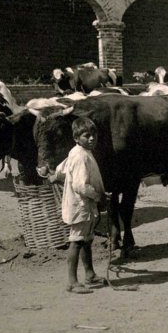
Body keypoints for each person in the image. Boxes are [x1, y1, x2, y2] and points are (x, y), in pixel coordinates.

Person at [49, 116, 107, 294]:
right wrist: (98, 195)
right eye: (86, 135)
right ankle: (72, 282)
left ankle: (89, 275)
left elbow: (61, 169)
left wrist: (55, 175)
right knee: (77, 241)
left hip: (85, 205)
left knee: (86, 239)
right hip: (81, 205)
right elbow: (80, 185)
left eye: (94, 135)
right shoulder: (81, 156)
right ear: (76, 138)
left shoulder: (77, 152)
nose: (91, 139)